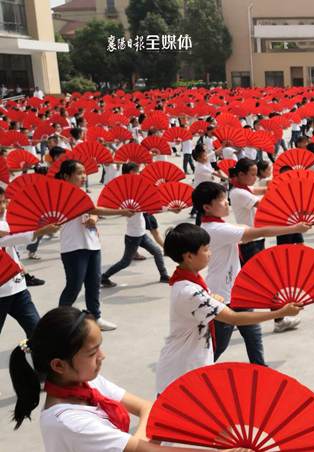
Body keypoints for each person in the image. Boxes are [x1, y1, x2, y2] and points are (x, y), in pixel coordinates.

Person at [9, 306, 252, 452]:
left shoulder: (88, 383)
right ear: (59, 365)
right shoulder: (68, 421)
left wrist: (134, 443)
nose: (102, 356)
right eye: (92, 353)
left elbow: (147, 407)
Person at [155, 223, 302, 393]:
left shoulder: (191, 283)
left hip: (193, 364)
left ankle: (259, 366)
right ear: (189, 256)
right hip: (181, 370)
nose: (210, 253)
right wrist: (280, 312)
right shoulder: (190, 291)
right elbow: (233, 318)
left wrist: (211, 298)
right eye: (205, 249)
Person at [193, 181, 309, 366]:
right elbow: (257, 232)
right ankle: (193, 375)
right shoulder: (217, 229)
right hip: (222, 296)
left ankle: (260, 369)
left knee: (253, 335)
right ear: (207, 207)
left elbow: (253, 229)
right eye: (223, 202)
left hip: (236, 291)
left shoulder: (215, 225)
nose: (227, 204)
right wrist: (293, 228)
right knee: (218, 346)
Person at [55, 160, 135, 331]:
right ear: (66, 176)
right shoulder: (62, 195)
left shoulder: (83, 194)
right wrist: (121, 211)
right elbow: (96, 209)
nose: (83, 177)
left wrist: (94, 219)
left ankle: (95, 316)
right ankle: (59, 321)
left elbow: (93, 212)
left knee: (93, 283)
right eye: (79, 173)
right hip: (73, 247)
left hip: (92, 244)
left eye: (84, 173)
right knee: (74, 286)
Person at [229, 158, 300, 333]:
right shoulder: (240, 193)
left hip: (254, 241)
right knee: (270, 282)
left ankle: (233, 318)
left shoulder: (244, 188)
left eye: (255, 174)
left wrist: (285, 183)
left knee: (250, 282)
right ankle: (278, 320)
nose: (255, 177)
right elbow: (266, 203)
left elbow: (265, 190)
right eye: (252, 174)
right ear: (241, 174)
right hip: (251, 243)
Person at [0, 187, 60, 337]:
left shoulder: (8, 217)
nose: (2, 207)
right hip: (1, 291)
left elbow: (17, 236)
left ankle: (38, 359)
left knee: (37, 333)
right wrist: (40, 231)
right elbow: (8, 238)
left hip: (18, 288)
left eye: (3, 202)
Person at [100, 163, 171, 287]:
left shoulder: (137, 192)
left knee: (157, 252)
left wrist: (170, 209)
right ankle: (104, 277)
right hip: (133, 237)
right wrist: (125, 212)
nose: (139, 174)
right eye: (136, 171)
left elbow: (153, 208)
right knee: (125, 262)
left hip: (141, 234)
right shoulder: (128, 196)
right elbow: (122, 210)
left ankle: (164, 275)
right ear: (130, 173)